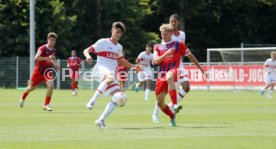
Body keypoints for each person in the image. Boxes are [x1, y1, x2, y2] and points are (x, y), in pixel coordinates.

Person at [83, 21, 141, 129]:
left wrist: (133, 67)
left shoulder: (119, 47)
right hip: (99, 69)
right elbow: (87, 50)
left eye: (120, 33)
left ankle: (100, 120)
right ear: (112, 30)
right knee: (110, 77)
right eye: (117, 31)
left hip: (110, 75)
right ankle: (92, 101)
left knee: (119, 97)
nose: (118, 34)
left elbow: (121, 61)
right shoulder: (103, 42)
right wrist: (87, 56)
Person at [153, 24, 206, 127]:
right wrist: (166, 53)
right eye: (162, 34)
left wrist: (201, 70)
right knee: (160, 103)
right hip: (161, 75)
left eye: (165, 34)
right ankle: (172, 116)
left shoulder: (179, 44)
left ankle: (174, 104)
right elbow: (155, 62)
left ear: (171, 34)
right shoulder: (157, 47)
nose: (163, 36)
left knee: (170, 76)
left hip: (175, 70)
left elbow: (191, 56)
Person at [152, 14, 188, 122]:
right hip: (166, 65)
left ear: (178, 23)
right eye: (171, 21)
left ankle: (172, 105)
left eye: (175, 21)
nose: (173, 23)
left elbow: (183, 49)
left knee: (186, 87)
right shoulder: (165, 35)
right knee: (161, 95)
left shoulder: (182, 34)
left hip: (178, 64)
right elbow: (161, 54)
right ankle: (156, 112)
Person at [19, 32, 59, 111]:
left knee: (51, 86)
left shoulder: (54, 50)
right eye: (51, 40)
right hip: (38, 72)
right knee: (31, 88)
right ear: (48, 40)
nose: (53, 42)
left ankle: (46, 105)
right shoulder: (42, 48)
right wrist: (48, 58)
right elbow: (36, 58)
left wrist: (55, 64)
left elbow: (52, 58)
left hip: (47, 72)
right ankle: (23, 97)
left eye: (54, 40)